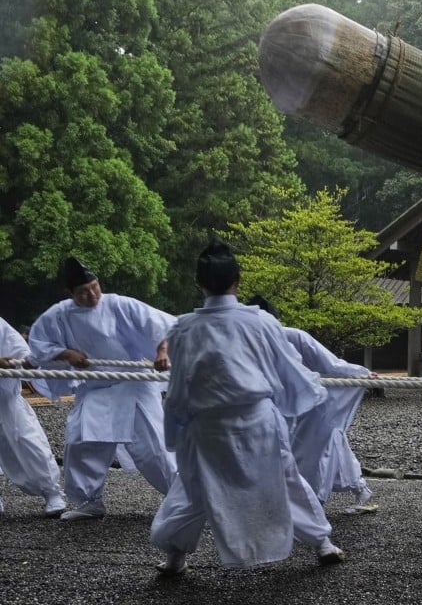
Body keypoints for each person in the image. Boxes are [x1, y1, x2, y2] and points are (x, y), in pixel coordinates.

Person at [150, 239, 345, 575]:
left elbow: (179, 386)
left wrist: (175, 427)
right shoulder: (262, 322)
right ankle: (323, 543)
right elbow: (289, 368)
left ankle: (175, 555)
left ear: (200, 284)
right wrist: (306, 394)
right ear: (238, 283)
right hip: (258, 422)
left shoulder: (183, 328)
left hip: (208, 426)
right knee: (286, 481)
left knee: (194, 491)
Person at [27, 258, 176, 521]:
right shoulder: (60, 313)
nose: (92, 294)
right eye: (83, 291)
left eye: (95, 287)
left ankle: (184, 499)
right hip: (95, 386)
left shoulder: (120, 303)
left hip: (133, 383)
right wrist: (66, 353)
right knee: (81, 441)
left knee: (153, 448)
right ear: (70, 294)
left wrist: (162, 351)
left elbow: (162, 326)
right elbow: (38, 343)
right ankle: (89, 501)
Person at [248, 295, 378, 514]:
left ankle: (314, 505)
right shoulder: (251, 341)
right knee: (322, 448)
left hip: (308, 407)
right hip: (277, 406)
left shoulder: (292, 336)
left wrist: (361, 374)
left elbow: (330, 363)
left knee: (316, 451)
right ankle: (350, 492)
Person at [0, 316, 67, 517]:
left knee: (28, 441)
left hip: (7, 399)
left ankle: (52, 492)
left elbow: (19, 348)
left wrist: (24, 361)